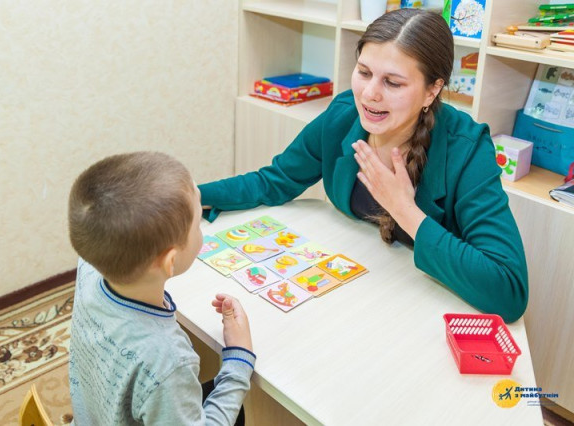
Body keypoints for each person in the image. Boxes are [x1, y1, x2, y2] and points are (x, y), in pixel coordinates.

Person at [199, 9, 528, 323]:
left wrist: (405, 210)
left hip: (425, 307)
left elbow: (509, 292)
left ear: (432, 90)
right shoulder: (344, 114)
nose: (369, 94)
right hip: (359, 290)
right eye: (364, 72)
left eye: (392, 83)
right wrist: (194, 195)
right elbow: (276, 180)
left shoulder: (468, 149)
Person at [68, 151, 255, 425]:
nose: (201, 228)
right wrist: (239, 360)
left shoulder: (90, 267)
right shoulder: (169, 361)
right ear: (170, 261)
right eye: (198, 223)